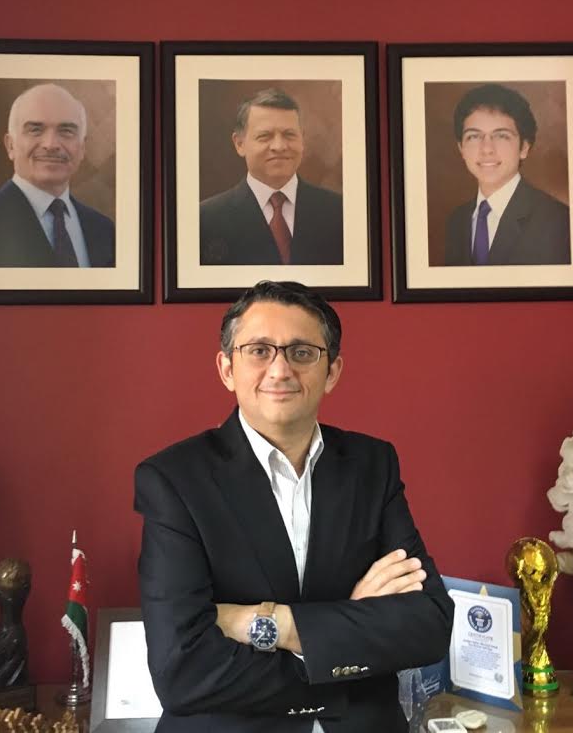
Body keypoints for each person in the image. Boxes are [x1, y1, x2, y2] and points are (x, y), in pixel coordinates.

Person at [135, 280, 453, 732]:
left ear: (333, 371)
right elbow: (182, 670)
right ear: (227, 369)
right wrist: (346, 635)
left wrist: (276, 624)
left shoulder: (372, 464)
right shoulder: (173, 479)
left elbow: (430, 625)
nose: (280, 369)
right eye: (259, 351)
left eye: (302, 352)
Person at [0, 83, 115, 268]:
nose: (51, 144)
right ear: (10, 145)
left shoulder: (104, 230)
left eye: (66, 131)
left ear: (82, 148)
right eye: (35, 130)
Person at [200, 88, 343, 265]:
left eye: (289, 135)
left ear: (302, 140)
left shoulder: (340, 211)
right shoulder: (205, 220)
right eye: (265, 136)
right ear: (239, 144)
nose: (279, 146)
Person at [444, 83, 570, 266]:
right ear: (461, 148)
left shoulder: (559, 222)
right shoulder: (456, 221)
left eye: (501, 136)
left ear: (524, 148)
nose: (487, 149)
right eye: (474, 136)